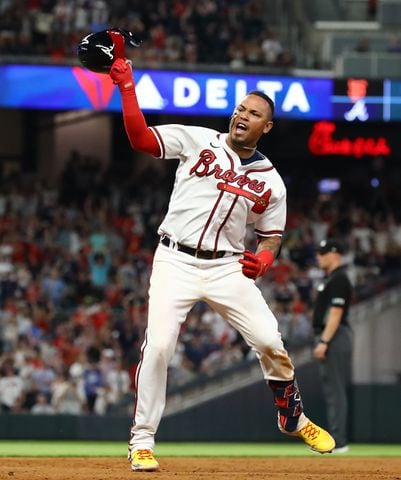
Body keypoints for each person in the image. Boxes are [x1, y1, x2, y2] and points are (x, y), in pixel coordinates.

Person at [109, 57, 335, 472]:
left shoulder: (271, 179)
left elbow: (273, 233)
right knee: (158, 347)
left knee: (269, 339)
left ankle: (293, 417)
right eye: (240, 109)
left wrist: (266, 256)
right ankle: (141, 442)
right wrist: (126, 87)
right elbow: (141, 139)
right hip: (175, 260)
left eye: (253, 113)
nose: (241, 115)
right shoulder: (197, 141)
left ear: (266, 126)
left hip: (226, 268)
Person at [312, 239, 353, 453]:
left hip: (335, 337)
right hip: (330, 337)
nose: (319, 256)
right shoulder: (330, 278)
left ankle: (339, 441)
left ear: (335, 254)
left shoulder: (339, 279)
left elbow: (336, 314)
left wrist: (324, 341)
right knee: (331, 391)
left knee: (335, 390)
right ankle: (336, 440)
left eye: (323, 252)